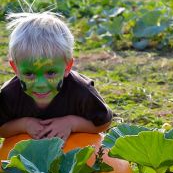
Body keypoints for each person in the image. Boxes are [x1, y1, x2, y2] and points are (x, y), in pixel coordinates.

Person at [0, 11, 112, 141]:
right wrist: (23, 125)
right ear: (15, 68)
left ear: (67, 67)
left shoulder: (81, 91)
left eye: (51, 73)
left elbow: (104, 123)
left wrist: (71, 123)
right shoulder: (9, 94)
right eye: (29, 74)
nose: (40, 84)